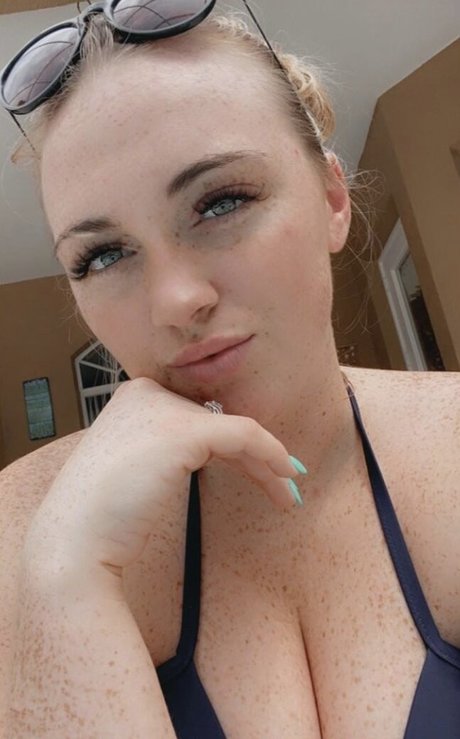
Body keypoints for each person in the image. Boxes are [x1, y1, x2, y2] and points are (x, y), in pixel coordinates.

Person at [1, 1, 459, 737]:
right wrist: (63, 582)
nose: (175, 301)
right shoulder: (19, 531)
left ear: (333, 198)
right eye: (104, 255)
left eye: (220, 202)